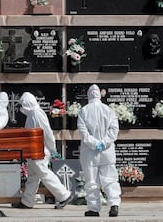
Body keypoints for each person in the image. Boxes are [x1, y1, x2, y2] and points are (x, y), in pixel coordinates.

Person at [12, 92, 72, 210]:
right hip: (34, 151)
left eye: (23, 105)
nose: (22, 108)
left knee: (44, 174)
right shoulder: (32, 114)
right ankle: (27, 201)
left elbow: (47, 132)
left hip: (40, 151)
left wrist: (52, 148)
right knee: (33, 177)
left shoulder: (37, 114)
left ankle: (64, 195)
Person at [77, 84, 121, 217]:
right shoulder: (109, 110)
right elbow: (114, 131)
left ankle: (94, 208)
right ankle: (114, 204)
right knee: (110, 179)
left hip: (89, 153)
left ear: (89, 95)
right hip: (107, 152)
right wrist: (103, 143)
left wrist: (95, 144)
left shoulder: (83, 111)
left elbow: (84, 133)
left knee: (91, 181)